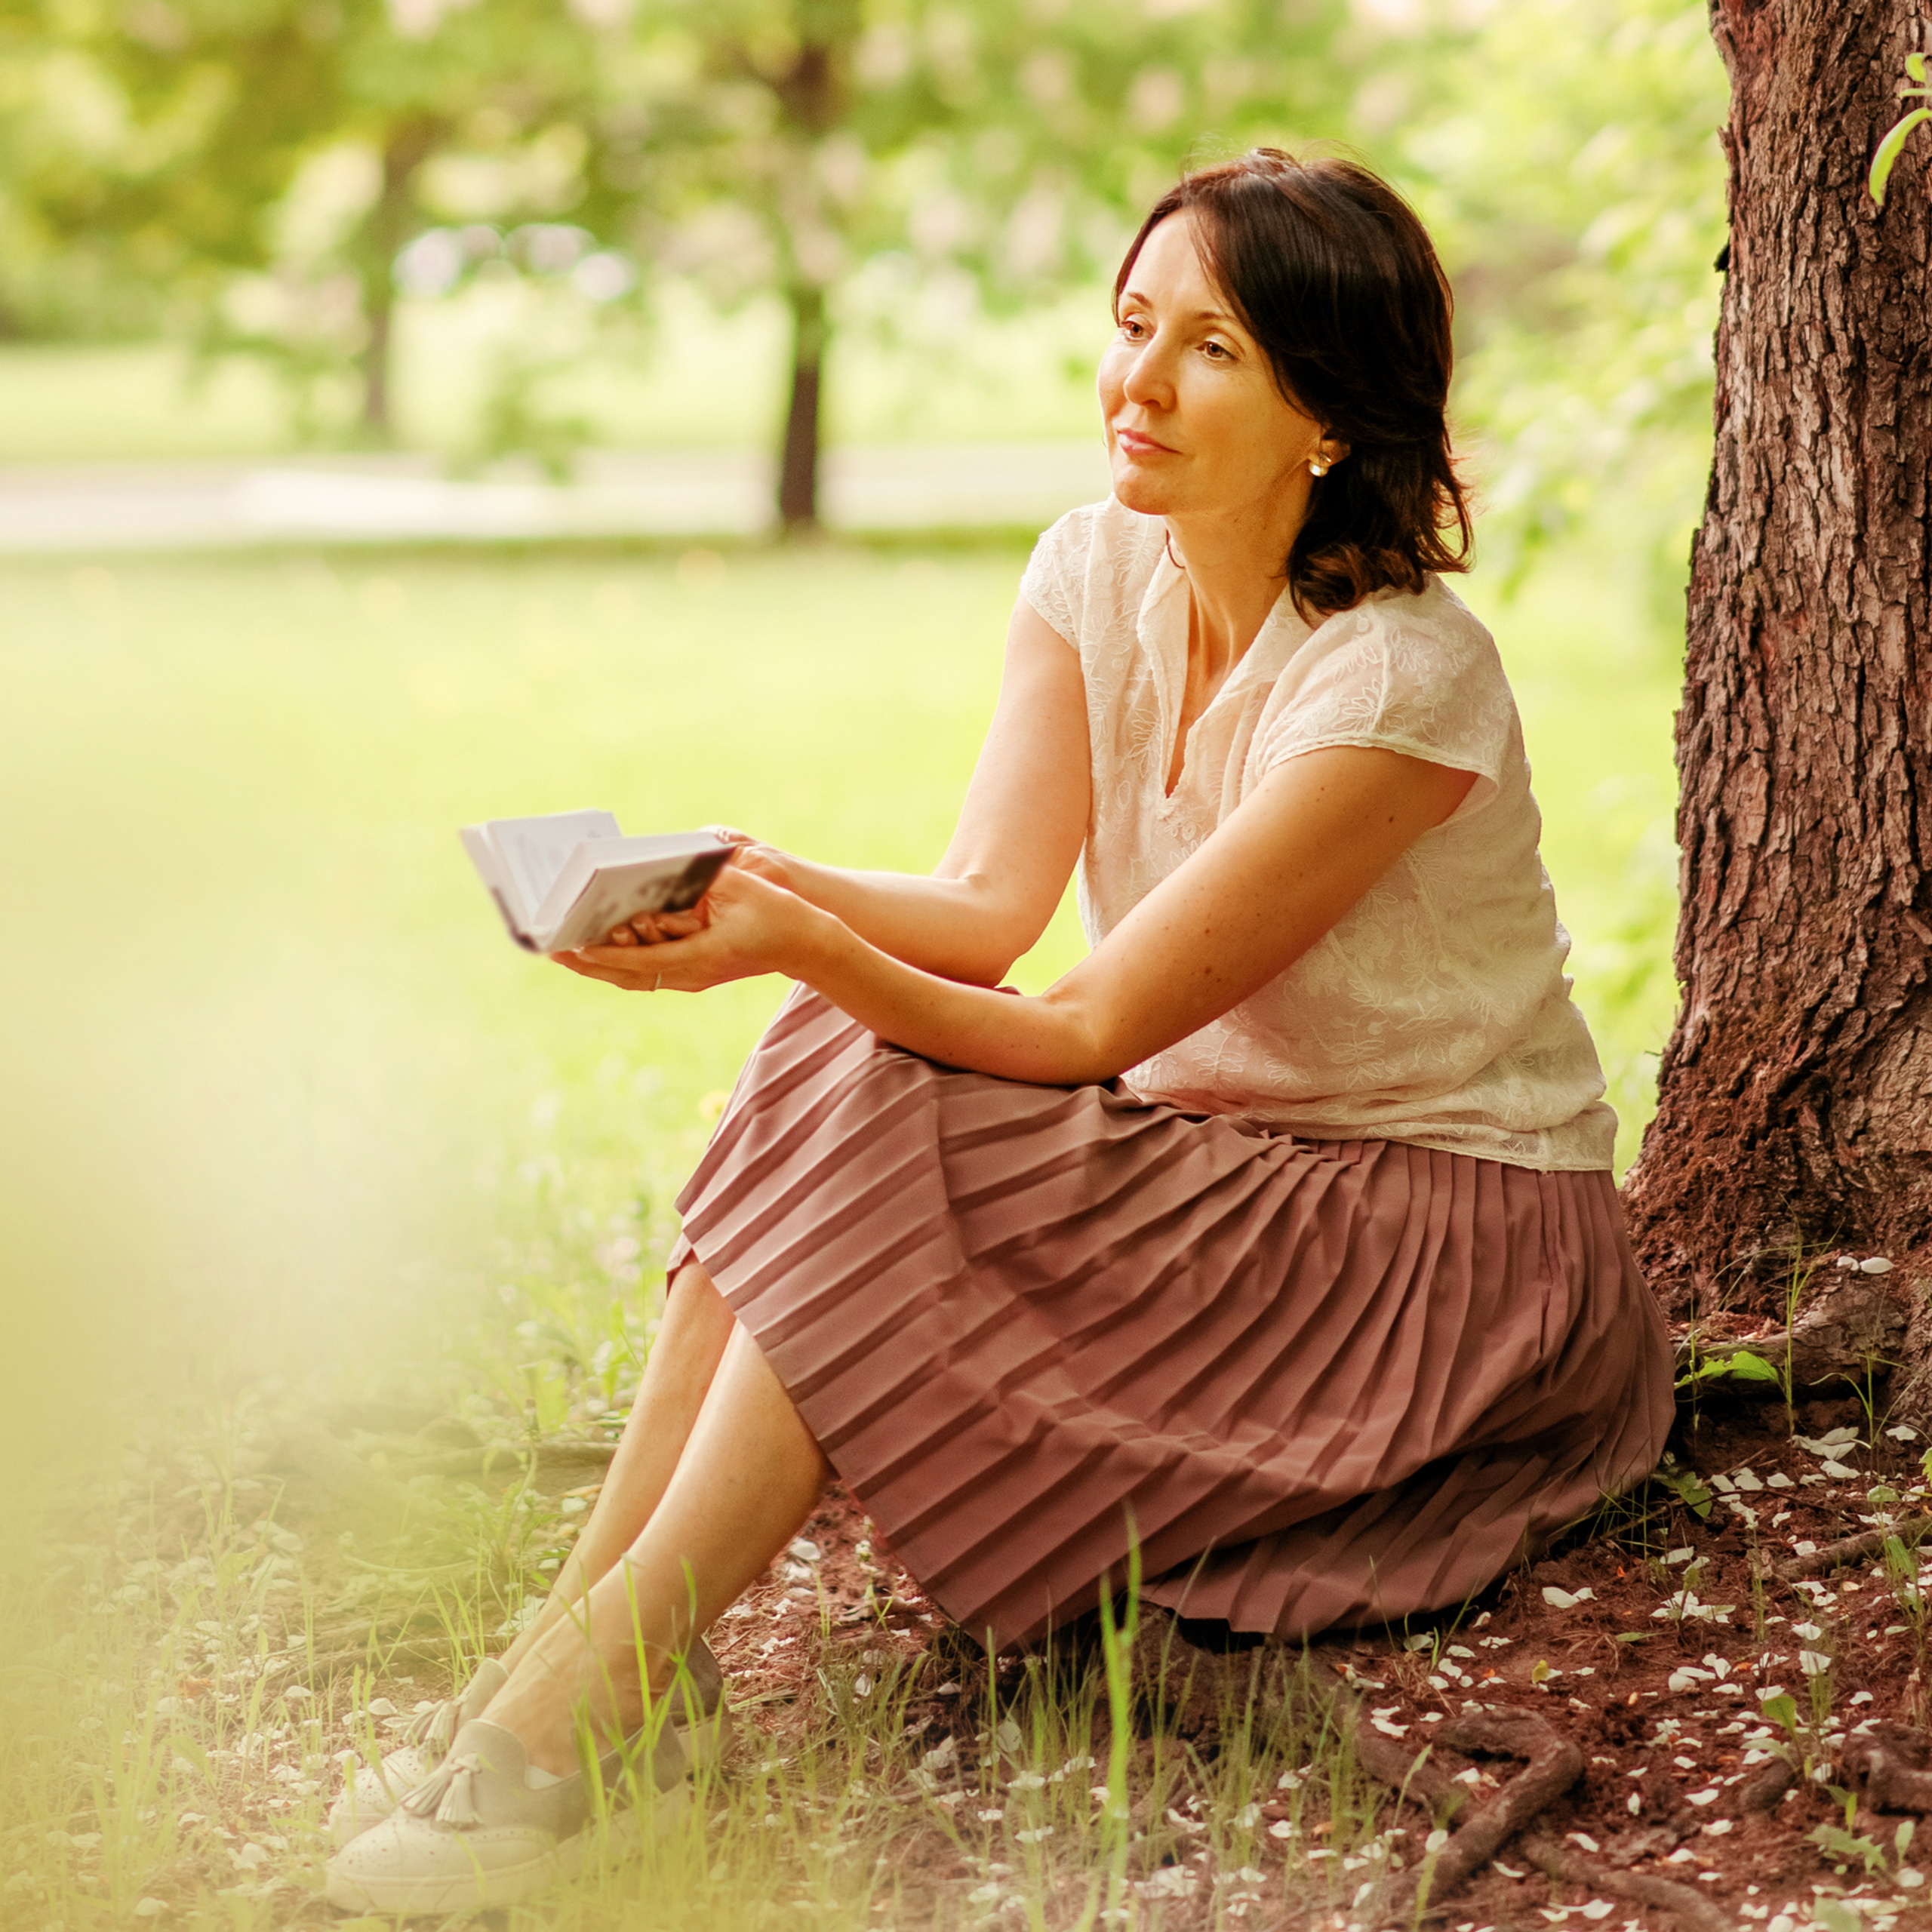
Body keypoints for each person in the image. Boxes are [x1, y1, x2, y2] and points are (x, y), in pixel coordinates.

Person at [325, 146, 1673, 1915]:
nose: (1138, 379)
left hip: (1435, 1243)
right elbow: (982, 903)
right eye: (1131, 323)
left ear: (1328, 415)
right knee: (834, 1050)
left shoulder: (1397, 682)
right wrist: (752, 876)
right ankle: (584, 1654)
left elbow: (1090, 1019)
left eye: (1211, 348)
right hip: (1224, 1169)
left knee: (860, 1051)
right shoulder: (1092, 568)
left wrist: (800, 945)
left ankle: (597, 1686)